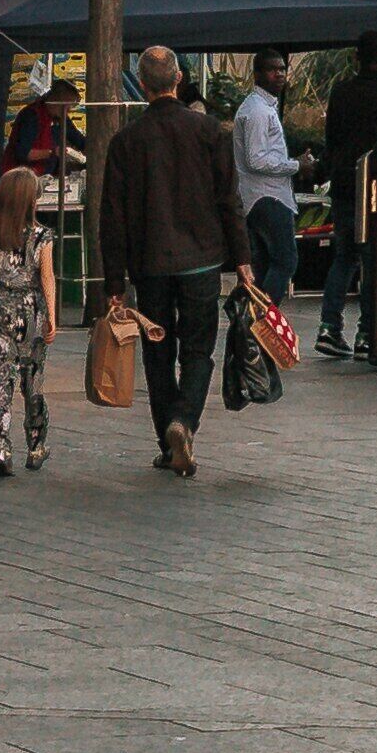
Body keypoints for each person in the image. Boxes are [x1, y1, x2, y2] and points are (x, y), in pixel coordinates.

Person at [100, 42, 254, 478]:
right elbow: (230, 201)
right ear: (179, 80)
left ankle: (166, 441)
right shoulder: (209, 133)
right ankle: (183, 421)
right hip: (202, 259)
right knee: (199, 349)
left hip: (149, 264)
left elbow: (112, 217)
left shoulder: (126, 141)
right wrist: (242, 259)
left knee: (157, 351)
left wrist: (114, 282)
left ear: (143, 85)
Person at [316, 32, 377, 359]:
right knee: (375, 259)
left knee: (344, 256)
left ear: (356, 58)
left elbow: (330, 141)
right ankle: (367, 333)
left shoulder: (341, 94)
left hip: (344, 185)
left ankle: (329, 326)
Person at [0, 164, 56, 479]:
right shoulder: (42, 236)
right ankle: (35, 444)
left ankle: (1, 445)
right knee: (31, 380)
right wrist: (52, 314)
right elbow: (47, 276)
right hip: (31, 314)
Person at [233, 48, 301, 307]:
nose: (280, 74)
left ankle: (252, 325)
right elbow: (256, 159)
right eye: (273, 70)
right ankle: (264, 319)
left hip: (263, 196)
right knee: (285, 260)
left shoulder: (262, 107)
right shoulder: (258, 111)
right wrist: (295, 165)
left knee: (263, 265)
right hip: (267, 196)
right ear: (258, 74)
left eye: (283, 69)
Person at [5, 77, 83, 175]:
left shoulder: (61, 117)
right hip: (21, 176)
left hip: (47, 175)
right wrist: (52, 152)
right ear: (55, 100)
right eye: (67, 105)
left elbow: (79, 140)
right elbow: (23, 153)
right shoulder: (32, 115)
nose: (69, 110)